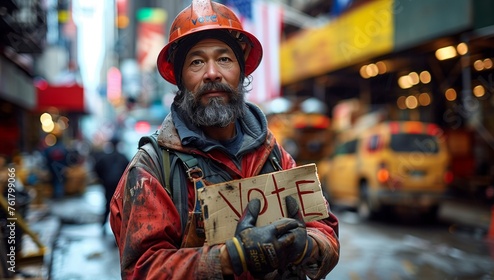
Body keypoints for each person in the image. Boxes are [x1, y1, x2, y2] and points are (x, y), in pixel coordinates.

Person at [109, 0, 340, 279]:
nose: (212, 73)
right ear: (180, 80)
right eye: (196, 61)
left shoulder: (274, 154)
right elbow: (142, 270)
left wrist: (307, 246)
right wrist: (232, 257)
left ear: (241, 73)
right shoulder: (153, 167)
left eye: (224, 59)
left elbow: (324, 228)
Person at [93, 137, 130, 232]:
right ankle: (120, 229)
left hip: (107, 184)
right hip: (119, 185)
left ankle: (103, 225)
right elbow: (129, 171)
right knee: (120, 206)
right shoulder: (123, 157)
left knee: (108, 204)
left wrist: (102, 179)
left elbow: (97, 168)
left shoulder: (105, 157)